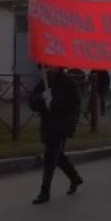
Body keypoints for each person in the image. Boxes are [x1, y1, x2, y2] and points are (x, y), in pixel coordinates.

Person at [28, 67, 83, 204]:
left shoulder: (68, 82)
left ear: (59, 67)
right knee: (57, 156)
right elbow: (32, 102)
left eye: (51, 66)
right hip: (48, 125)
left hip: (61, 126)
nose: (49, 69)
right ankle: (74, 178)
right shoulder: (44, 82)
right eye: (47, 66)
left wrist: (53, 102)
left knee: (49, 158)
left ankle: (44, 192)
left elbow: (74, 104)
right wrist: (42, 98)